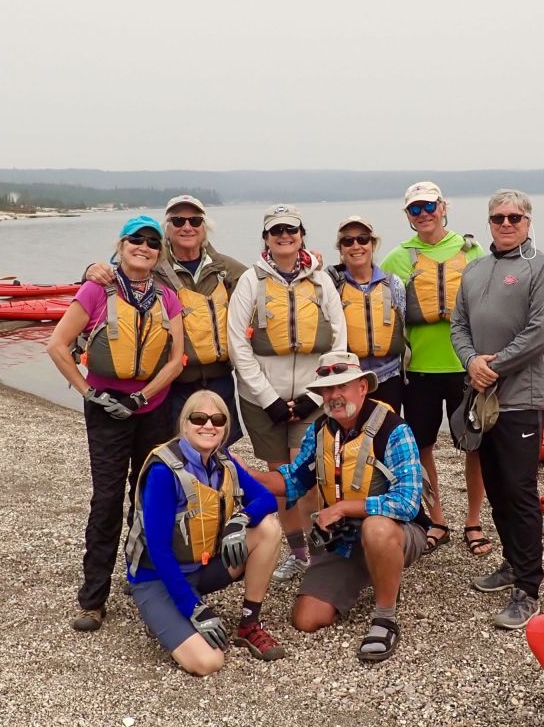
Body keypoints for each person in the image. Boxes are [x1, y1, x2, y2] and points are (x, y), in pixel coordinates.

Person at [47, 215, 185, 632]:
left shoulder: (167, 297)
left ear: (159, 252)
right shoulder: (96, 290)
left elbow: (177, 358)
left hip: (153, 407)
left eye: (151, 243)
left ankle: (139, 575)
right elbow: (56, 345)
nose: (143, 248)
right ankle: (92, 600)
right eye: (135, 241)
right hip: (106, 409)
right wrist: (89, 392)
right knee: (106, 501)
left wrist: (144, 395)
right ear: (121, 246)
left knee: (147, 497)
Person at [249, 351, 428, 662]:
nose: (333, 396)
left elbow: (408, 502)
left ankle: (385, 617)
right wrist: (245, 476)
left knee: (377, 527)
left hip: (396, 532)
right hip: (343, 539)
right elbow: (293, 480)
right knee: (305, 620)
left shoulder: (394, 429)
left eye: (341, 386)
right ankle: (375, 571)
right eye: (326, 390)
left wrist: (345, 508)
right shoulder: (320, 430)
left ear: (362, 386)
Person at [450, 189, 544, 629]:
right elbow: (458, 325)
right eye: (497, 217)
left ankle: (529, 587)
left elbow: (541, 333)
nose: (505, 223)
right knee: (496, 489)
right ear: (488, 222)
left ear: (528, 221)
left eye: (514, 217)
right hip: (482, 396)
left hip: (521, 400)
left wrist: (493, 366)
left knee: (518, 492)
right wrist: (471, 362)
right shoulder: (476, 269)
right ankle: (512, 565)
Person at [124, 390, 286, 675]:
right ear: (184, 424)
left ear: (225, 428)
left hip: (203, 567)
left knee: (268, 527)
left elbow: (267, 499)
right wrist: (193, 609)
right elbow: (159, 551)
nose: (208, 425)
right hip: (157, 579)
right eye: (199, 418)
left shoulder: (224, 461)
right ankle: (163, 612)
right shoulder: (164, 471)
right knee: (209, 662)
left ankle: (249, 625)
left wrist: (241, 519)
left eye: (218, 419)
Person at [226, 204, 347, 583]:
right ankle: (298, 554)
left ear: (301, 235)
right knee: (280, 478)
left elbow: (339, 337)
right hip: (263, 400)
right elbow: (237, 343)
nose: (284, 236)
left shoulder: (321, 280)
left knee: (307, 477)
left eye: (290, 230)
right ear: (266, 238)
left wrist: (316, 394)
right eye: (276, 230)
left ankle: (320, 545)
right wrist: (269, 399)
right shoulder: (251, 281)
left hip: (312, 397)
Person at [380, 182, 490, 557]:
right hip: (420, 372)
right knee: (422, 446)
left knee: (473, 445)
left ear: (443, 206)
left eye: (429, 206)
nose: (423, 214)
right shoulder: (397, 258)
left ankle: (474, 521)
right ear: (407, 216)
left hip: (465, 367)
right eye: (414, 209)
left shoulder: (472, 251)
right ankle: (438, 518)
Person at [84, 195, 247, 443]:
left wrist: (307, 259)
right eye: (178, 221)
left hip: (220, 379)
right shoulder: (152, 266)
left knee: (221, 448)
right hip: (173, 382)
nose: (187, 227)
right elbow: (118, 272)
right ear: (166, 230)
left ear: (205, 228)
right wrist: (89, 270)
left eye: (195, 220)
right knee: (175, 449)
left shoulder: (228, 268)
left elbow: (263, 285)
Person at [325, 216, 405, 412]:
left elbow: (404, 323)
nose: (356, 246)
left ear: (372, 244)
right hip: (347, 378)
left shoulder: (394, 285)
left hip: (389, 378)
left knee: (384, 435)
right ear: (340, 249)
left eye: (362, 239)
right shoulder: (330, 286)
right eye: (347, 241)